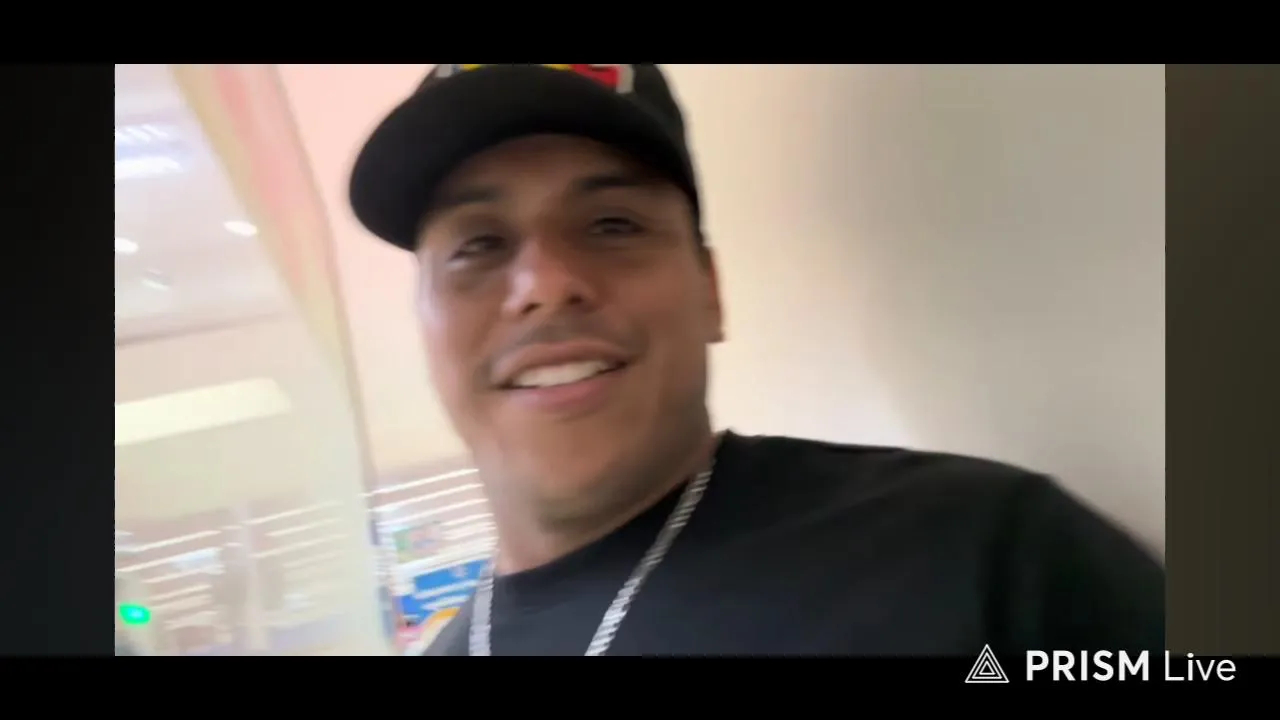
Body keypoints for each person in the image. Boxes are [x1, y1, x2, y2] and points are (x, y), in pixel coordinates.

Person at [347, 64, 1164, 657]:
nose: (547, 283)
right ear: (424, 324)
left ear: (710, 290)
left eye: (612, 225)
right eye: (479, 245)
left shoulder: (985, 557)